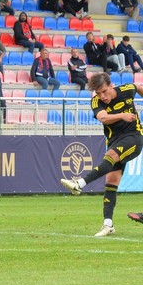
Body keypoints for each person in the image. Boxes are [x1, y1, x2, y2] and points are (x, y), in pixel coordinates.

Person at [61, 72, 143, 237]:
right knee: (111, 183)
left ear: (111, 85)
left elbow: (139, 87)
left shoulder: (127, 89)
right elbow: (103, 118)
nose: (103, 96)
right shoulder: (96, 101)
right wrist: (122, 115)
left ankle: (80, 184)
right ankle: (108, 224)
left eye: (105, 91)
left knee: (110, 157)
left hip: (134, 138)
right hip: (114, 140)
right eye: (99, 93)